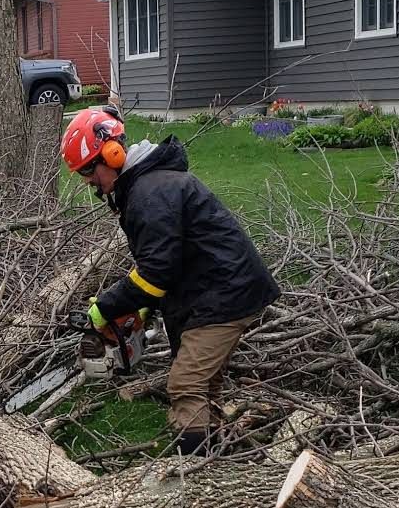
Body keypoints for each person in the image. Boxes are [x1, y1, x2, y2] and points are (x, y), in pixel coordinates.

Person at [60, 107, 280, 456]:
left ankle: (195, 478)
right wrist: (140, 310)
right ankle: (218, 459)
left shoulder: (150, 193)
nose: (88, 181)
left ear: (112, 155)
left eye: (88, 171)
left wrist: (104, 308)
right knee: (205, 383)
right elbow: (167, 265)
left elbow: (155, 272)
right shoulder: (147, 186)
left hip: (224, 294)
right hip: (211, 289)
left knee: (186, 384)